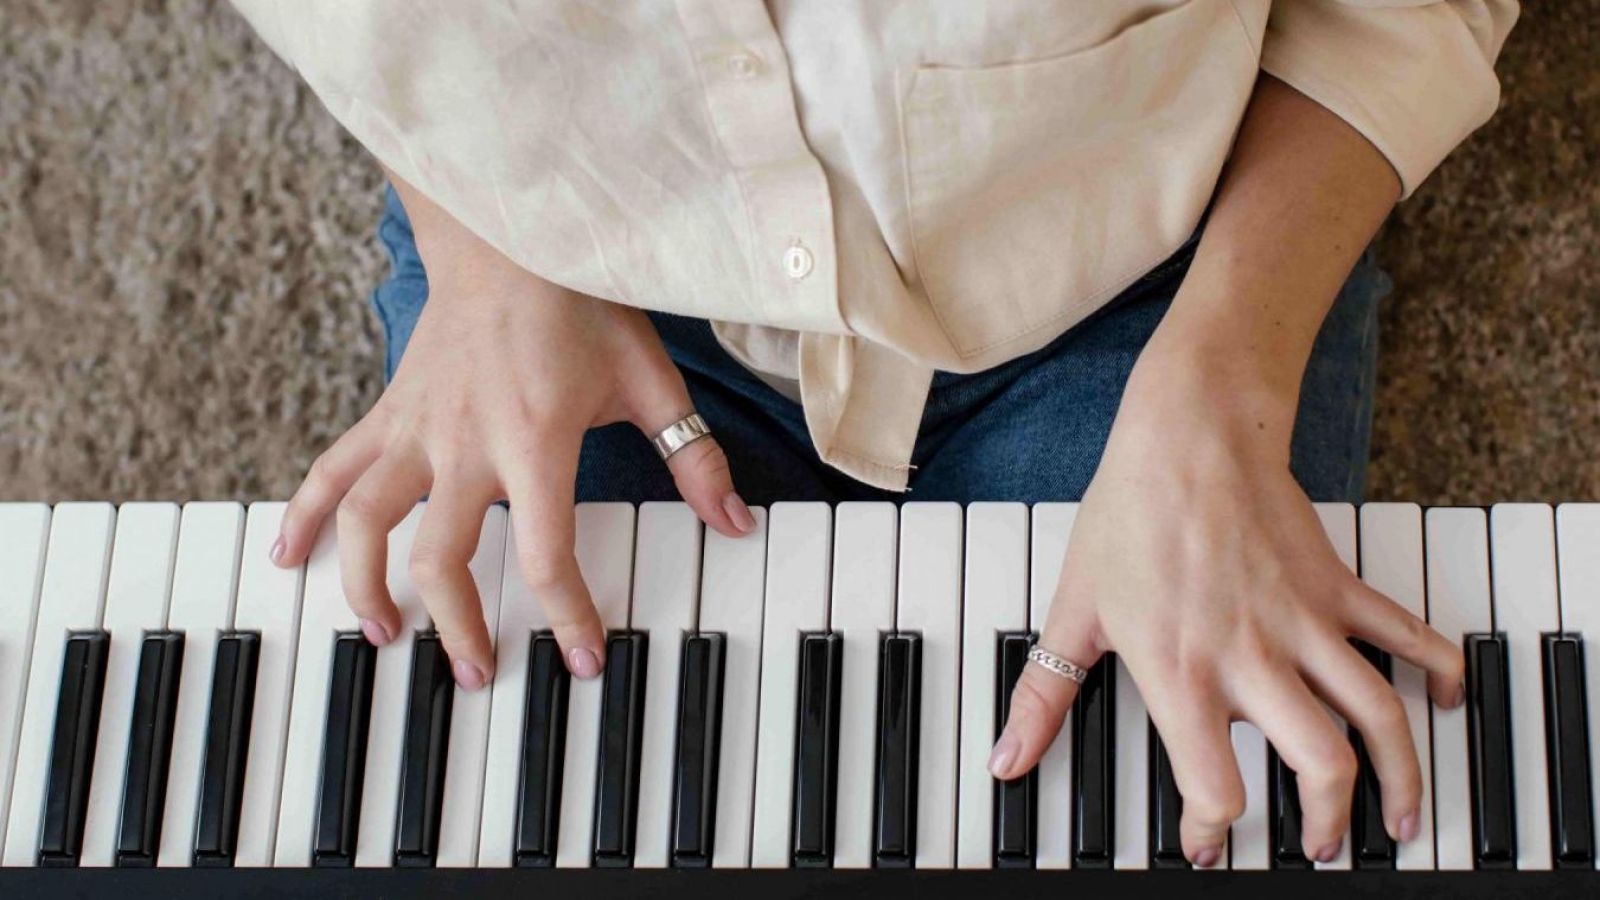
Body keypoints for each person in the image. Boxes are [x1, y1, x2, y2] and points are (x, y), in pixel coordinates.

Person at [232, 0, 1518, 866]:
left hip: (1147, 241)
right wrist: (481, 261)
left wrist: (1221, 378)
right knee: (496, 805)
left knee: (1181, 815)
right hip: (561, 235)